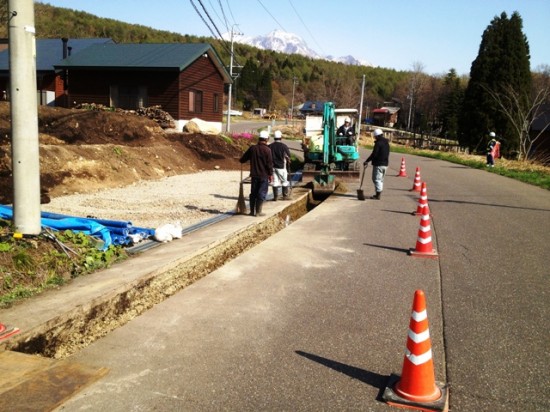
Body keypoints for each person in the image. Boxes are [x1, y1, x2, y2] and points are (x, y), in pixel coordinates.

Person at [240, 130, 273, 216]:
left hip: (254, 175)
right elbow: (269, 164)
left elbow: (243, 159)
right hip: (264, 175)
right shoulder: (267, 150)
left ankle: (251, 211)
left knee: (253, 193)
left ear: (259, 138)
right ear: (266, 139)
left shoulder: (252, 148)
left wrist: (241, 160)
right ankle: (258, 212)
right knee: (261, 192)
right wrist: (270, 174)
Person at [363, 128, 390, 199]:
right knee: (380, 179)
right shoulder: (386, 143)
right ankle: (378, 193)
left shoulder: (378, 143)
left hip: (379, 164)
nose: (374, 137)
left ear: (377, 136)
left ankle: (378, 194)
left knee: (376, 179)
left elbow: (374, 154)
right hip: (385, 164)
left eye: (375, 136)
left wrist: (367, 161)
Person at [269, 130, 292, 200]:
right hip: (281, 166)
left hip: (272, 166)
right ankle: (285, 196)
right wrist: (288, 160)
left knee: (275, 181)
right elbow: (288, 155)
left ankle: (275, 197)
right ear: (281, 137)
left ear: (274, 138)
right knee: (284, 181)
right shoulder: (283, 146)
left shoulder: (270, 146)